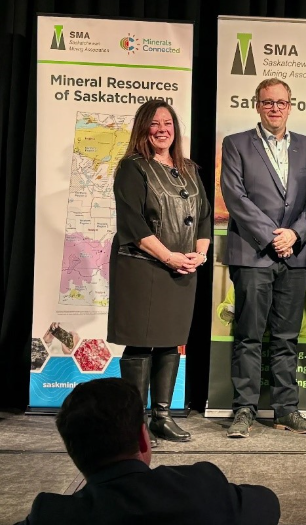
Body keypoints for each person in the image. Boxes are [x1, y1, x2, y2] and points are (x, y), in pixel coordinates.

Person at [14, 378, 280, 525]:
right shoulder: (201, 487)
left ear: (72, 451)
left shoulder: (50, 515)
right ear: (144, 439)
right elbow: (268, 503)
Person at [221, 78, 306, 437]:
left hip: (295, 255)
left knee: (286, 338)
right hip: (252, 254)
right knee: (249, 336)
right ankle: (244, 410)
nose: (275, 108)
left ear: (290, 106)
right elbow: (235, 197)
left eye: (281, 102)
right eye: (268, 102)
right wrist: (271, 237)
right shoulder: (236, 144)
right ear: (257, 105)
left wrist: (294, 234)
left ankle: (286, 410)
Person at [108, 101, 211, 446]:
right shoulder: (132, 168)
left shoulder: (189, 168)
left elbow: (204, 216)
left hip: (182, 267)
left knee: (170, 339)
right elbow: (133, 224)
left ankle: (162, 418)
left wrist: (199, 254)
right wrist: (169, 257)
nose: (162, 129)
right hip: (143, 266)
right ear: (143, 128)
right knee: (140, 341)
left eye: (167, 123)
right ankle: (134, 423)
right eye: (154, 124)